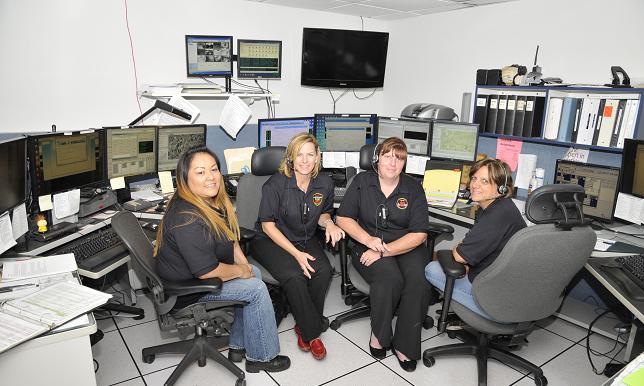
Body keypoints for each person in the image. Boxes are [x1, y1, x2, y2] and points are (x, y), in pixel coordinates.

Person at [154, 146, 290, 373]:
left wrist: (243, 265)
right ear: (185, 179)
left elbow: (229, 236)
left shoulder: (208, 201)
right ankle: (262, 357)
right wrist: (240, 272)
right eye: (200, 172)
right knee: (255, 288)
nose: (211, 177)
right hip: (186, 290)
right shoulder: (187, 219)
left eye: (214, 169)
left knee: (253, 273)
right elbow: (206, 272)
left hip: (194, 275)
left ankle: (237, 346)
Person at [336, 137, 431, 372]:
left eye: (399, 158)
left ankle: (406, 345)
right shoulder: (361, 182)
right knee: (389, 278)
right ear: (377, 159)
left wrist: (384, 251)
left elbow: (419, 234)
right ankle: (379, 335)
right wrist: (369, 241)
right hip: (365, 244)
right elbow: (343, 218)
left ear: (404, 163)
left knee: (418, 281)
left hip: (404, 245)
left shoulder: (413, 188)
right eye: (388, 156)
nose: (393, 163)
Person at [250, 133, 344, 360]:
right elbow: (268, 225)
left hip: (303, 236)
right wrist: (297, 254)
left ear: (317, 157)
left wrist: (330, 223)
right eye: (299, 154)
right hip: (269, 239)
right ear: (290, 157)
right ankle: (312, 333)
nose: (304, 160)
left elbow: (324, 213)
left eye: (310, 154)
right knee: (295, 275)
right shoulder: (276, 184)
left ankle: (303, 324)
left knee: (323, 271)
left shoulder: (324, 183)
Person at [425, 158, 527, 322]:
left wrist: (461, 255)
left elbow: (459, 256)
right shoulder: (504, 208)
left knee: (431, 268)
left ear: (501, 189)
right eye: (474, 178)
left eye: (485, 181)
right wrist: (465, 258)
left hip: (493, 296)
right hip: (506, 286)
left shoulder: (495, 216)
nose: (475, 185)